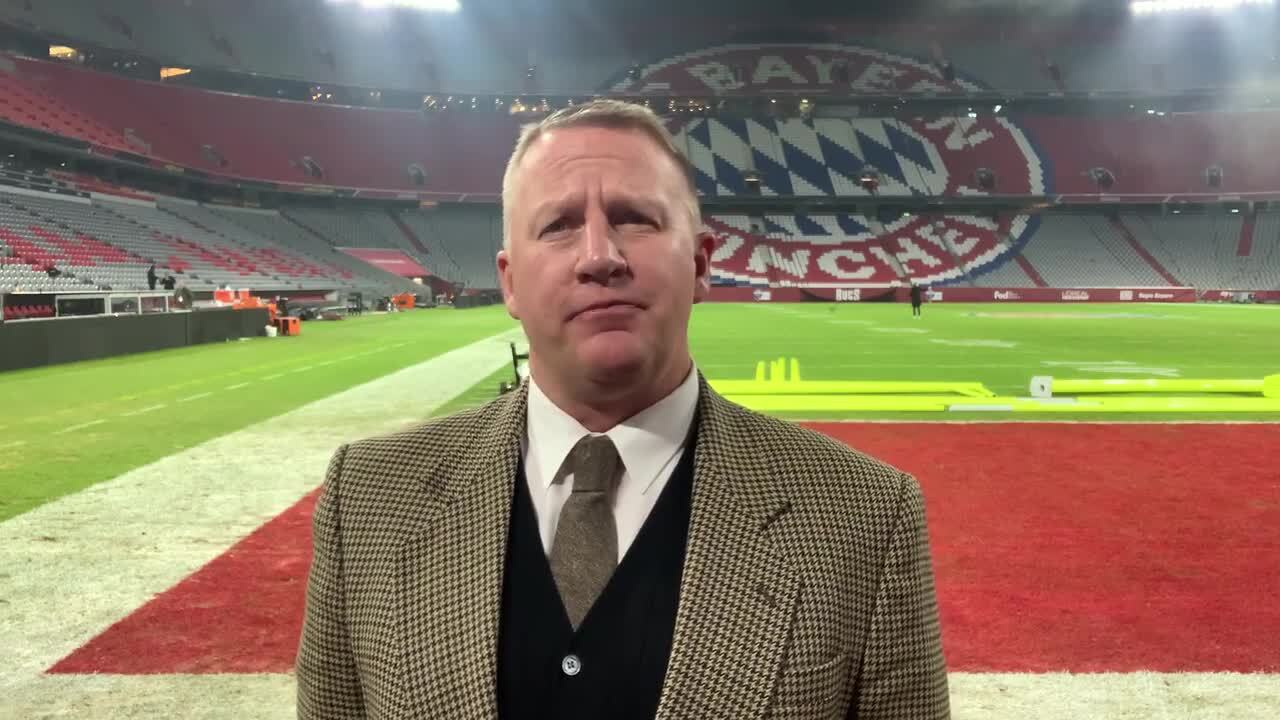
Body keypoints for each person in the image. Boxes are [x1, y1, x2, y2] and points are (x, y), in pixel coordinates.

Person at [296, 99, 949, 720]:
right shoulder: (369, 497)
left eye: (634, 217)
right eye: (558, 225)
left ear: (700, 263)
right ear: (510, 282)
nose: (599, 256)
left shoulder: (864, 513)